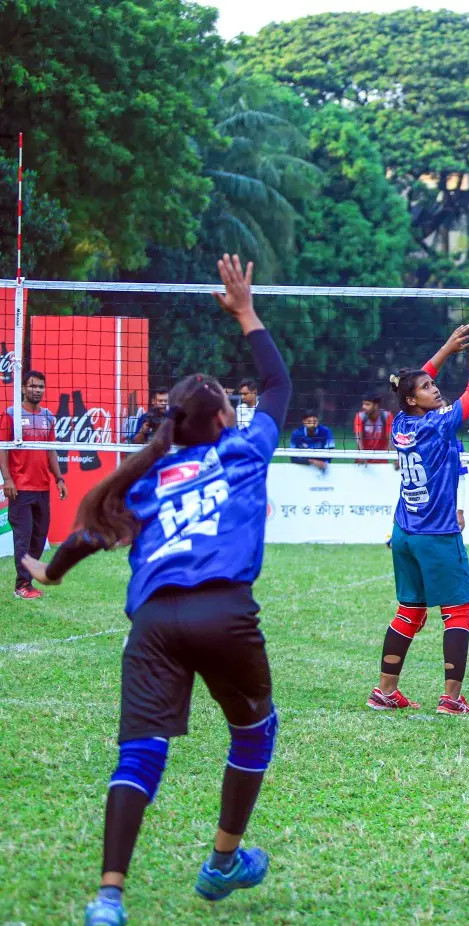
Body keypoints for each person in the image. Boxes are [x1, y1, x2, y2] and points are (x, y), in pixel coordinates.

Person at [21, 255, 288, 926]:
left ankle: (109, 897)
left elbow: (90, 533)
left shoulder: (146, 479)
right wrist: (246, 312)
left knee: (141, 754)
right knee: (254, 731)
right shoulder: (244, 451)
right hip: (224, 612)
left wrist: (51, 571)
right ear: (223, 418)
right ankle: (222, 862)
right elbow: (278, 383)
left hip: (153, 622)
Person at [368, 321, 469, 717]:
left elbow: (407, 385)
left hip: (404, 532)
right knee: (458, 613)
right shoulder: (438, 424)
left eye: (432, 384)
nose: (433, 388)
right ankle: (451, 699)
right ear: (412, 400)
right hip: (436, 534)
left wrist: (445, 350)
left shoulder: (400, 424)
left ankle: (385, 692)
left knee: (410, 611)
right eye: (426, 388)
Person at [0, 370, 66, 599]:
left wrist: (59, 478)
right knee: (24, 538)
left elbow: (51, 451)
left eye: (40, 387)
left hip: (42, 488)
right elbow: (3, 448)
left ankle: (27, 582)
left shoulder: (48, 416)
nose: (37, 390)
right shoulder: (11, 414)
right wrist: (8, 479)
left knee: (38, 538)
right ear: (23, 388)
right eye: (32, 386)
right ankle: (21, 586)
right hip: (20, 488)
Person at [354, 392, 394, 463]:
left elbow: (390, 439)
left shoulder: (387, 416)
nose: (363, 407)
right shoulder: (360, 416)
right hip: (363, 461)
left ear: (376, 405)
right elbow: (358, 439)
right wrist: (362, 456)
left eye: (367, 404)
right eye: (363, 404)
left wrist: (396, 458)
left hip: (381, 461)